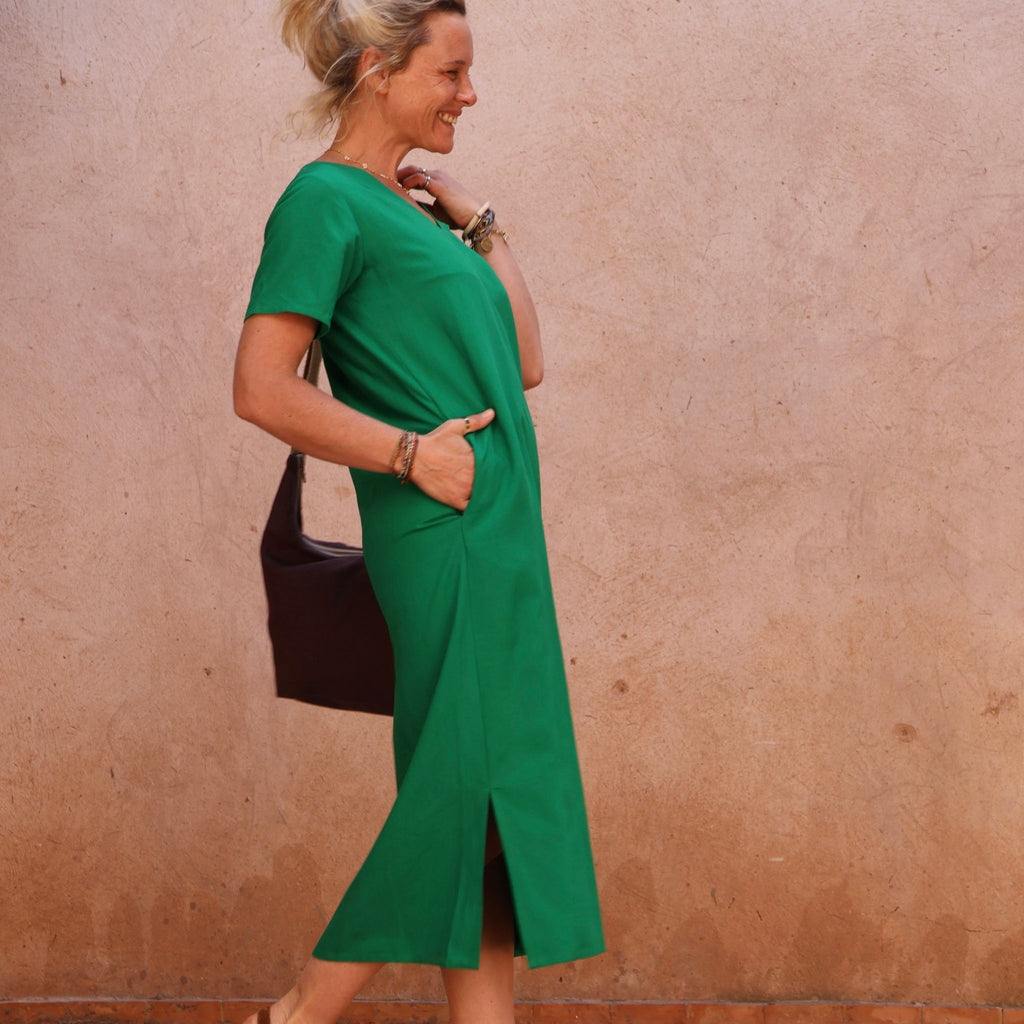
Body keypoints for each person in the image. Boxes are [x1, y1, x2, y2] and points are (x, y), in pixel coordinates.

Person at [233, 2, 604, 1021]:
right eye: (450, 72)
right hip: (445, 533)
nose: (469, 94)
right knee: (464, 783)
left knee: (493, 797)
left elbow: (524, 362)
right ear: (376, 70)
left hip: (500, 539)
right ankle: (298, 1011)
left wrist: (480, 225)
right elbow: (261, 387)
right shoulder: (322, 202)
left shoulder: (411, 210)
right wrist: (408, 454)